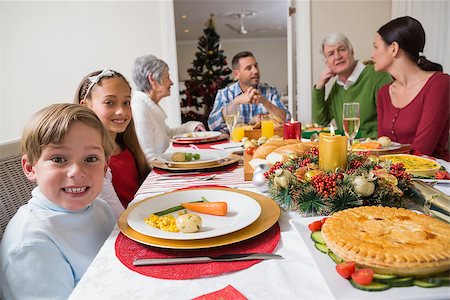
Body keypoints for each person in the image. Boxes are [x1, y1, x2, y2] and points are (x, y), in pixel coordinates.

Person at [0, 103, 116, 299]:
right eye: (59, 159)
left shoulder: (98, 207)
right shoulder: (31, 245)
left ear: (105, 167)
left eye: (90, 159)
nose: (77, 172)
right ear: (30, 168)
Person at [373, 16, 449, 161]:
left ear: (394, 48)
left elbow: (423, 149)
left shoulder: (439, 84)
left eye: (376, 47)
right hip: (397, 176)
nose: (372, 54)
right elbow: (382, 147)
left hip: (434, 178)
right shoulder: (384, 93)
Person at [75, 69, 151, 210]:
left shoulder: (125, 146)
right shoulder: (92, 160)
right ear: (85, 106)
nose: (121, 111)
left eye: (126, 102)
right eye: (109, 102)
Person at [312, 33, 392, 138]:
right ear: (327, 62)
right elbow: (321, 120)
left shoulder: (377, 76)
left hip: (376, 149)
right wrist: (319, 86)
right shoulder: (338, 87)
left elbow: (392, 122)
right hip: (350, 150)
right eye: (331, 54)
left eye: (342, 49)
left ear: (352, 52)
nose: (337, 56)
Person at [131, 54, 206, 162]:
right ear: (152, 79)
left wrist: (192, 126)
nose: (171, 82)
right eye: (167, 77)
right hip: (157, 174)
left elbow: (168, 134)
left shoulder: (149, 106)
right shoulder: (140, 109)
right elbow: (148, 157)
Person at [208, 51, 290, 132]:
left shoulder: (270, 91)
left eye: (256, 66)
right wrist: (236, 101)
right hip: (234, 143)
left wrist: (264, 101)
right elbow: (212, 125)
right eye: (249, 68)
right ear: (237, 74)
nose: (255, 71)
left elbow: (287, 120)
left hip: (264, 142)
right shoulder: (224, 94)